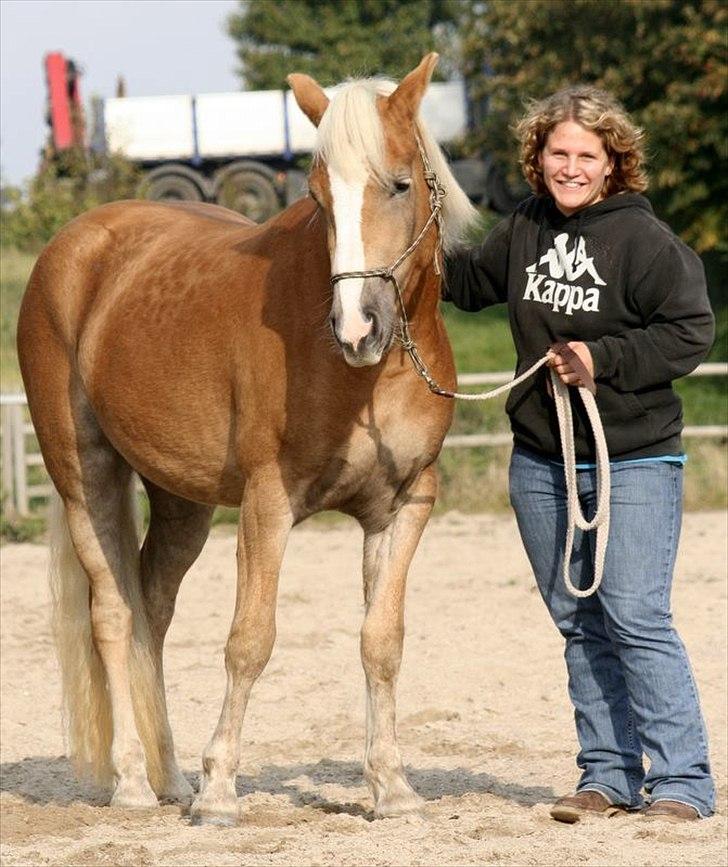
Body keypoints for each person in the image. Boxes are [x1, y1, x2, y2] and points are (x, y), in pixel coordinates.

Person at [443, 85, 715, 823]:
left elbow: (692, 332)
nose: (569, 167)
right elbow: (467, 282)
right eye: (557, 152)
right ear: (538, 158)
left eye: (585, 155)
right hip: (540, 458)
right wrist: (399, 224)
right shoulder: (525, 225)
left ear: (612, 163)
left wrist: (605, 356)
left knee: (634, 615)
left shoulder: (644, 242)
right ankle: (608, 775)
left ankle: (685, 781)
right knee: (577, 619)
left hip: (631, 456)